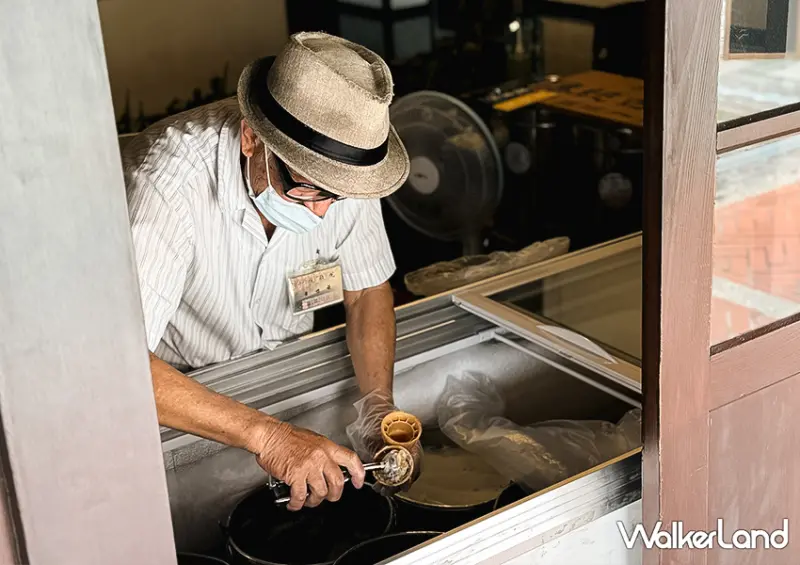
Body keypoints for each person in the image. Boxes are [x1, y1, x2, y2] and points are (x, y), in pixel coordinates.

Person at [122, 32, 417, 511]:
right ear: (251, 137)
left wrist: (377, 405)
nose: (322, 214)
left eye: (336, 196)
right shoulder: (166, 186)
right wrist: (270, 437)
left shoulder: (343, 174)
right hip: (179, 396)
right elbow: (119, 368)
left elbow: (366, 292)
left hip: (278, 372)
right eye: (306, 188)